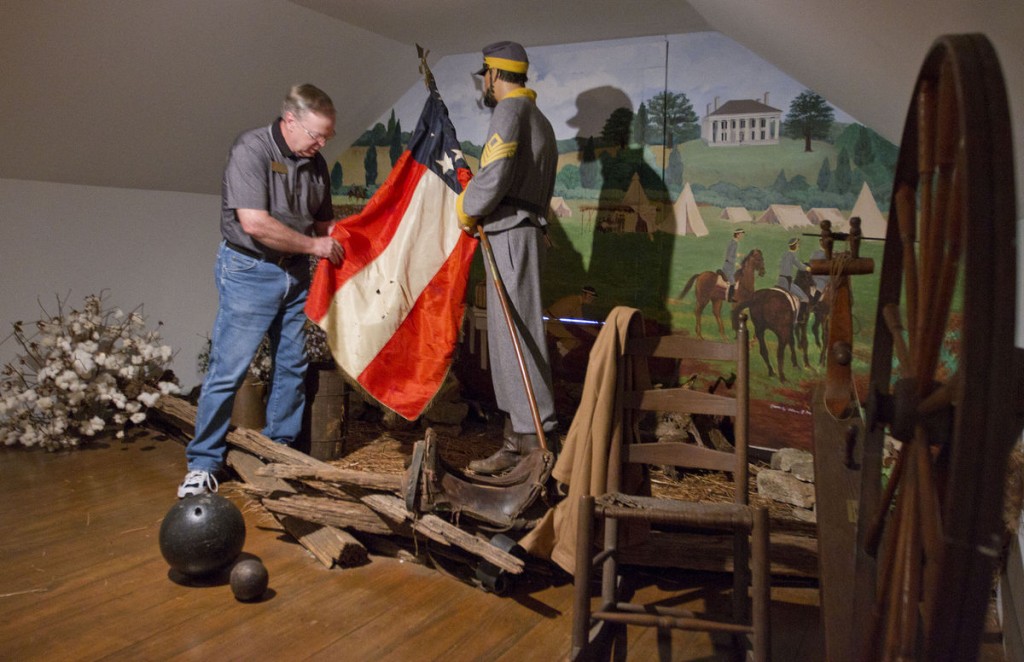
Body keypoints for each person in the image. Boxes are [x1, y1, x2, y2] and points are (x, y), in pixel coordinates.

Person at [178, 84, 345, 498]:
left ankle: (278, 450)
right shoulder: (250, 150)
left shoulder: (316, 162)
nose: (321, 144)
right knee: (228, 370)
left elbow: (325, 225)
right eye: (316, 135)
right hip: (250, 271)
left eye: (328, 137)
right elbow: (254, 223)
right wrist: (314, 247)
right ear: (290, 120)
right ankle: (203, 463)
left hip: (295, 276)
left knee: (292, 366)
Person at [456, 41, 559, 475]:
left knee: (517, 335)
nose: (484, 83)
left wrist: (466, 207)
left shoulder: (510, 112)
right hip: (519, 231)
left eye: (485, 76)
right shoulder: (541, 120)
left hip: (510, 232)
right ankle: (516, 443)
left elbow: (495, 173)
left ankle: (536, 445)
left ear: (494, 74)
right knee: (510, 337)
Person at [545, 286, 600, 357]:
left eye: (592, 297)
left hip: (554, 322)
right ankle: (556, 357)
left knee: (574, 341)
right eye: (590, 296)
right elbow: (559, 313)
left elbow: (582, 325)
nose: (591, 299)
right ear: (585, 294)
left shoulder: (577, 304)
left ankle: (555, 353)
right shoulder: (573, 301)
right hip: (550, 322)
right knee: (572, 341)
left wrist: (599, 334)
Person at [777, 236, 811, 303]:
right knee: (805, 298)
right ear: (795, 245)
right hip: (787, 282)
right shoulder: (792, 255)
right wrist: (808, 268)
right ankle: (800, 313)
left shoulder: (784, 254)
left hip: (779, 281)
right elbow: (800, 266)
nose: (798, 246)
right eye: (797, 244)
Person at [722, 228, 744, 302]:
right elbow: (729, 257)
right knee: (732, 282)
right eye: (741, 234)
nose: (742, 236)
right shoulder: (734, 243)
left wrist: (738, 255)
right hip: (728, 267)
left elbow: (732, 254)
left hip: (731, 266)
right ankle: (729, 298)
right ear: (737, 235)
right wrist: (736, 263)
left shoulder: (733, 242)